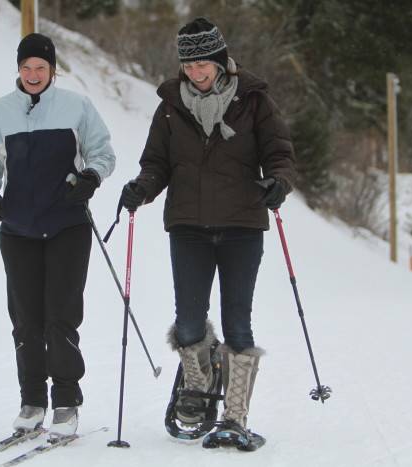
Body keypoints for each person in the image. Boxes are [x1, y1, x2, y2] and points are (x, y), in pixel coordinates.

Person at [119, 17, 296, 445]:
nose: (196, 73)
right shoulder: (169, 107)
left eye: (204, 64)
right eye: (189, 65)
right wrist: (142, 188)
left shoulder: (254, 101)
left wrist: (278, 182)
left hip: (241, 225)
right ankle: (197, 385)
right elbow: (157, 163)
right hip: (189, 227)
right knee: (189, 319)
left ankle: (235, 414)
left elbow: (279, 154)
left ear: (220, 62)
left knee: (238, 323)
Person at [0, 32, 115, 436]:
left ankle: (66, 401)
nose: (33, 74)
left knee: (61, 316)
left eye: (41, 67)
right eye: (26, 67)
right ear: (18, 70)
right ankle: (32, 399)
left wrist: (91, 176)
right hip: (18, 228)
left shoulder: (76, 107)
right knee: (26, 320)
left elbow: (102, 151)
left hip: (68, 224)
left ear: (53, 70)